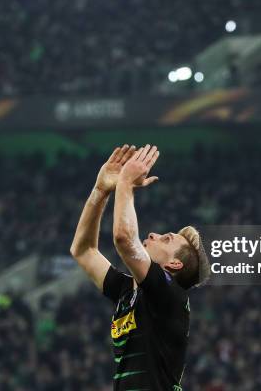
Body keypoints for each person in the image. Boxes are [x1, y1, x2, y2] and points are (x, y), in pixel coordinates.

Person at [70, 144, 210, 390]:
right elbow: (83, 251)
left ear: (174, 264)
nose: (154, 234)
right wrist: (101, 190)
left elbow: (124, 239)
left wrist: (126, 183)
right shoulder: (129, 291)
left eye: (167, 239)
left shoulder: (169, 295)